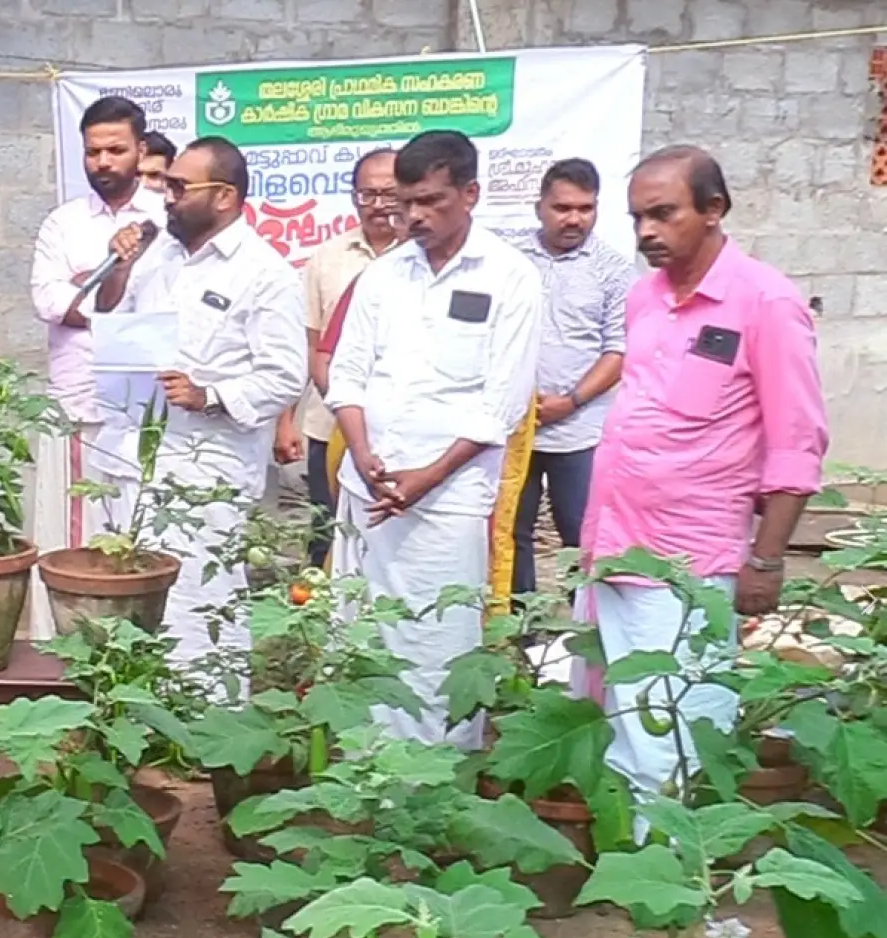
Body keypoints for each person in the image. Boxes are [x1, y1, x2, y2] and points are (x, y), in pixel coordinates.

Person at [581, 145, 827, 806]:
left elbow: (797, 441)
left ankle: (680, 866)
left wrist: (767, 561)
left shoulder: (766, 303)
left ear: (714, 210)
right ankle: (642, 861)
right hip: (615, 542)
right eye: (637, 219)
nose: (647, 234)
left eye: (663, 215)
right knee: (624, 709)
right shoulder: (644, 300)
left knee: (683, 716)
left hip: (691, 560)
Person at [326, 131, 540, 747]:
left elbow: (500, 402)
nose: (415, 216)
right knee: (362, 631)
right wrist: (363, 454)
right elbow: (347, 374)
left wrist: (427, 477)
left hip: (448, 499)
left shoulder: (511, 277)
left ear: (470, 194)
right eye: (405, 203)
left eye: (431, 201)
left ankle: (435, 784)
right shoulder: (385, 274)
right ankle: (364, 773)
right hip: (368, 490)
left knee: (437, 638)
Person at [90, 136, 305, 671]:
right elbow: (113, 316)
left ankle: (207, 734)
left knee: (198, 604)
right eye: (164, 184)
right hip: (136, 456)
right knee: (135, 602)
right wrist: (118, 266)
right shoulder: (157, 253)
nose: (165, 196)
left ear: (225, 196)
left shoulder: (264, 272)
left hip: (207, 468)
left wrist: (210, 395)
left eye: (179, 186)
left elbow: (284, 376)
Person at [30, 96, 169, 545]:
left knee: (143, 538)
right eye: (94, 152)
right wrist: (112, 278)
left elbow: (167, 310)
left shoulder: (167, 220)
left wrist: (85, 285)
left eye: (116, 150)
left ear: (141, 150)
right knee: (73, 542)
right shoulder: (62, 223)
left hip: (151, 409)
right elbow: (51, 302)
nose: (103, 162)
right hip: (81, 406)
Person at [502, 159, 633, 596]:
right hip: (512, 426)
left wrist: (570, 401)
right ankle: (519, 635)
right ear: (540, 206)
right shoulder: (508, 258)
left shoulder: (614, 271)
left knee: (582, 536)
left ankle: (584, 633)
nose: (574, 218)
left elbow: (618, 350)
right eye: (562, 207)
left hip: (579, 431)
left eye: (585, 208)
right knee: (510, 534)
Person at [280, 148, 402, 567]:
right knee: (325, 525)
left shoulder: (419, 259)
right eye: (368, 195)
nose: (379, 206)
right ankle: (317, 619)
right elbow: (312, 345)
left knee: (388, 528)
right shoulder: (327, 259)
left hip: (399, 423)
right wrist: (340, 405)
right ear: (353, 198)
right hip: (326, 419)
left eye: (389, 194)